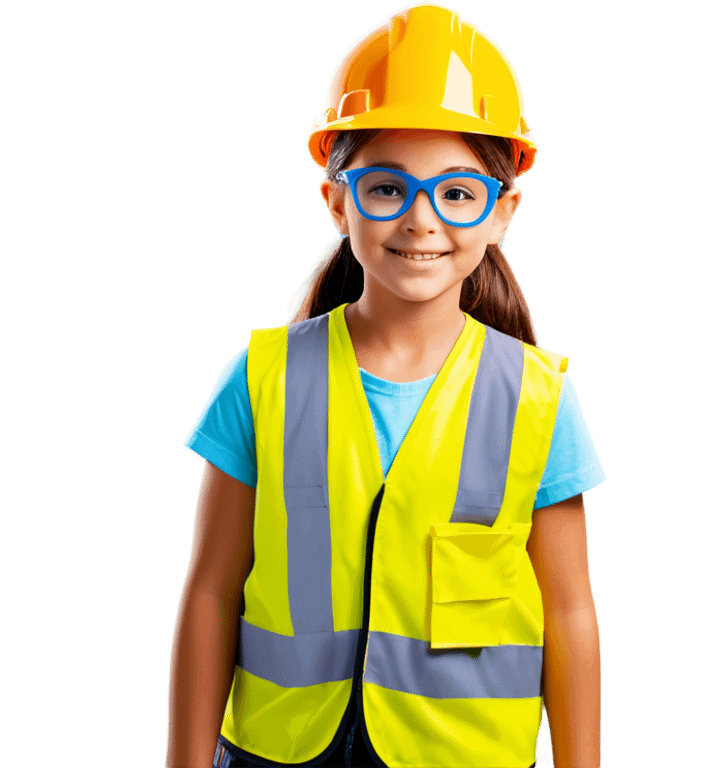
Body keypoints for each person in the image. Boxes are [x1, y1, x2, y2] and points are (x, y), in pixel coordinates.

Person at [166, 2, 604, 766]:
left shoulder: (539, 399)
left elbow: (570, 614)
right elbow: (210, 590)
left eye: (457, 192)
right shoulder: (259, 380)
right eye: (386, 189)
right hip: (278, 751)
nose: (421, 220)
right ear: (338, 201)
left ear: (503, 213)